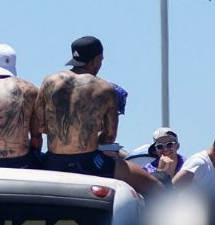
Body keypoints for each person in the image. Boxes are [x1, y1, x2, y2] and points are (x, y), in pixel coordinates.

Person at [34, 36, 162, 195]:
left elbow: (39, 125)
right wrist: (87, 136)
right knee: (157, 188)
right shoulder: (105, 89)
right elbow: (109, 137)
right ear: (94, 61)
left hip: (53, 161)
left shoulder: (49, 81)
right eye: (101, 60)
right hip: (89, 162)